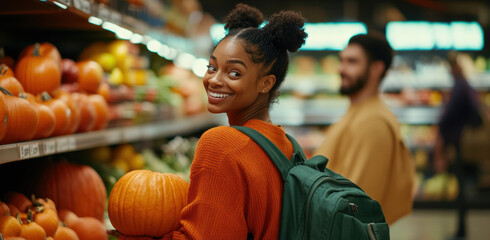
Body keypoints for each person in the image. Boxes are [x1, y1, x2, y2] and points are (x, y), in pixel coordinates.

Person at [114, 3, 307, 240]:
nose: (214, 80)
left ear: (265, 83)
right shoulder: (288, 145)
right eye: (212, 67)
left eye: (234, 73)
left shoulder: (221, 144)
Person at [314, 33, 415, 225]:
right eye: (342, 60)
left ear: (377, 68)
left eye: (352, 62)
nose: (341, 69)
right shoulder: (358, 111)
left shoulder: (374, 122)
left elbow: (356, 204)